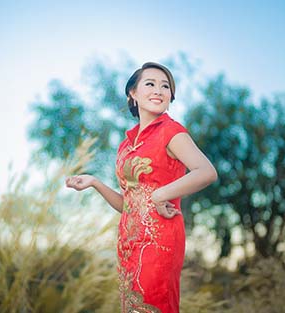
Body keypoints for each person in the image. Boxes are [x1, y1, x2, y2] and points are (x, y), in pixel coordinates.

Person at [65, 62, 217, 313]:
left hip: (160, 242)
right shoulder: (126, 146)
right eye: (150, 84)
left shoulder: (172, 132)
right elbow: (129, 205)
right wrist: (95, 182)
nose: (159, 90)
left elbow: (207, 172)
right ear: (132, 94)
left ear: (170, 97)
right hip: (128, 242)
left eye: (165, 86)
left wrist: (161, 194)